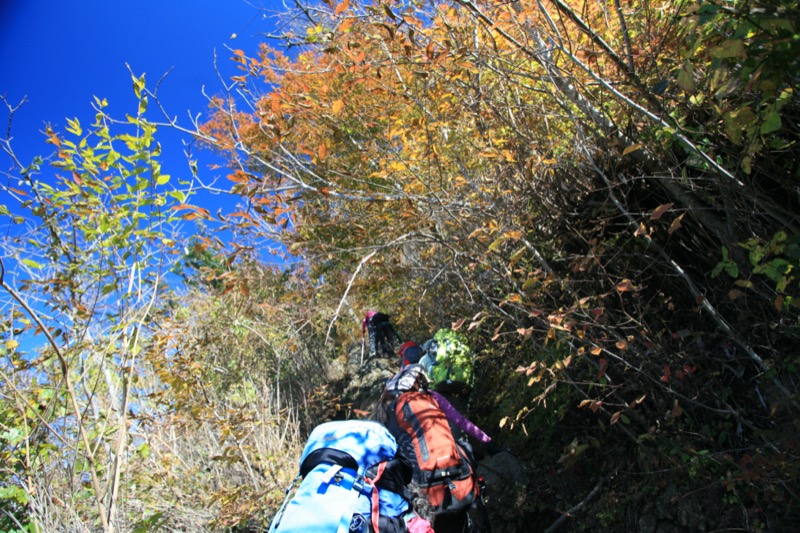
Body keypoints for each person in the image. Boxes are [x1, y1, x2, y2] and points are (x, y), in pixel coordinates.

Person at [375, 365, 499, 532]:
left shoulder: (389, 407)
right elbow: (461, 421)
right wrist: (488, 442)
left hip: (423, 486)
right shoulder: (432, 397)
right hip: (458, 477)